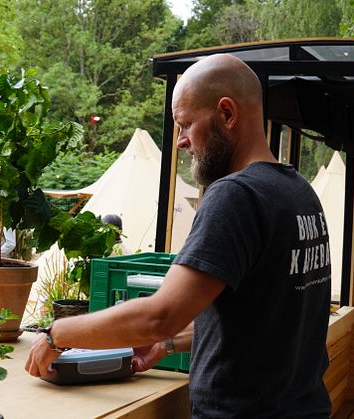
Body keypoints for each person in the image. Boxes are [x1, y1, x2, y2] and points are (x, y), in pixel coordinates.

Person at [25, 54, 332, 418]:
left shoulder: (236, 195)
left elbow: (160, 315)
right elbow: (265, 323)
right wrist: (168, 344)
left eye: (185, 124)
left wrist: (55, 335)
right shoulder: (298, 192)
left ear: (227, 114)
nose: (181, 141)